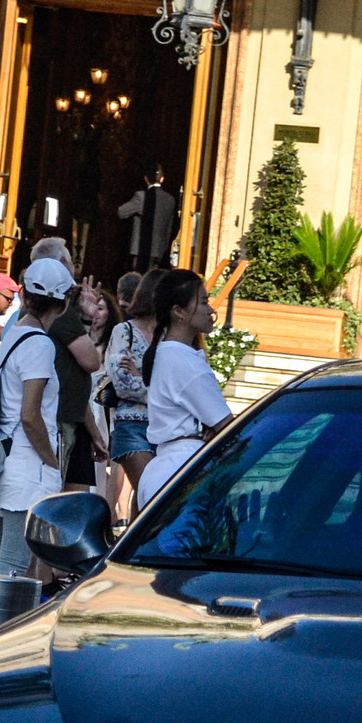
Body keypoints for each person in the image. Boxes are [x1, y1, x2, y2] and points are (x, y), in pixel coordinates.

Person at [0, 255, 74, 577]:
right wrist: (51, 461)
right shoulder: (40, 344)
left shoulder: (13, 333)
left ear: (22, 293)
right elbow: (30, 415)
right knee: (13, 565)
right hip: (27, 462)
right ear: (63, 303)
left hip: (5, 454)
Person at [133, 267, 231, 512]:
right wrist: (214, 429)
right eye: (203, 302)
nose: (210, 310)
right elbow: (228, 429)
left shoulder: (166, 353)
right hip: (181, 470)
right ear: (178, 311)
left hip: (163, 468)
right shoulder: (183, 360)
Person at [24, 239, 102, 500]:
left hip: (71, 415)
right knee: (59, 501)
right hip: (59, 419)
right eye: (69, 261)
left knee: (73, 497)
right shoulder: (57, 311)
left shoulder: (43, 312)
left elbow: (77, 377)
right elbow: (91, 362)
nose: (74, 268)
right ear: (59, 265)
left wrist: (87, 318)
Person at [100, 265, 161, 498]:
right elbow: (123, 384)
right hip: (132, 425)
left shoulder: (167, 335)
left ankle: (135, 535)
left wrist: (141, 375)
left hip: (163, 426)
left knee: (146, 497)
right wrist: (159, 389)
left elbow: (180, 384)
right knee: (151, 492)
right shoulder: (123, 331)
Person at [118, 169, 180, 272]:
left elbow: (122, 212)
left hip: (140, 251)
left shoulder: (142, 196)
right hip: (160, 250)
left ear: (146, 178)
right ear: (162, 179)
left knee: (139, 281)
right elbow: (172, 225)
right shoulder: (170, 199)